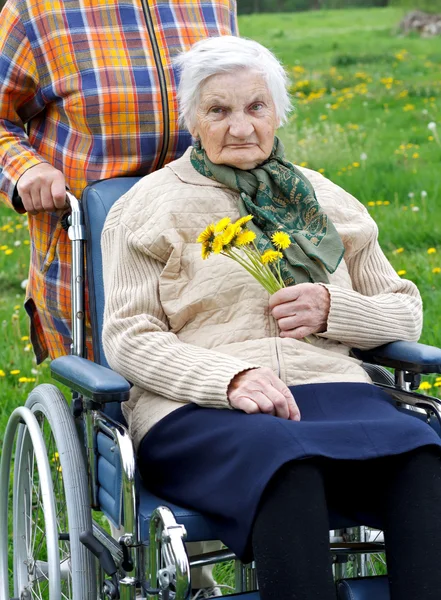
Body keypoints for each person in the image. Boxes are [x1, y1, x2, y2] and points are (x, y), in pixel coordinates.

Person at [101, 36, 441, 600]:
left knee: (421, 454)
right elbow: (128, 338)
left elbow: (405, 310)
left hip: (334, 391)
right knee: (287, 463)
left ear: (278, 112)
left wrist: (337, 309)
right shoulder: (146, 207)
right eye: (219, 109)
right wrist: (227, 379)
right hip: (200, 409)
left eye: (255, 107)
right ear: (191, 119)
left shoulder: (326, 199)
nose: (240, 127)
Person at [0, 1, 237, 595]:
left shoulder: (212, 2)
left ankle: (201, 558)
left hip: (207, 254)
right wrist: (23, 168)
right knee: (123, 410)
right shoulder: (35, 11)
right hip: (90, 259)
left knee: (220, 383)